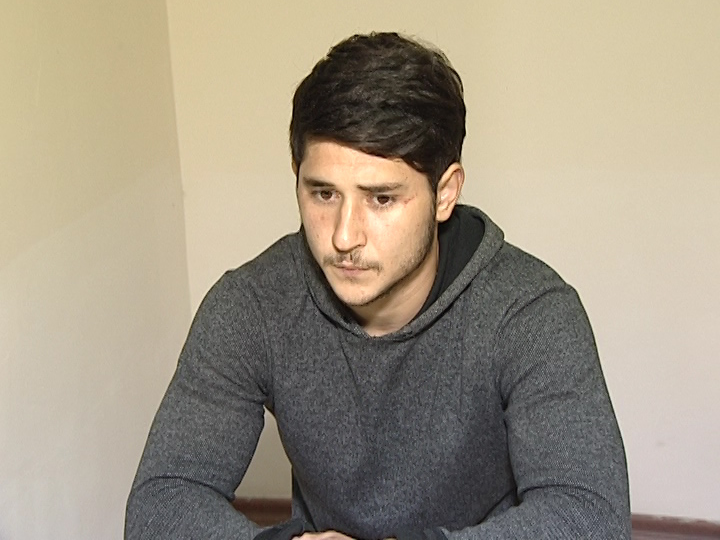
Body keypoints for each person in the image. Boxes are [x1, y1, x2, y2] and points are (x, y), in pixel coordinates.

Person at [126, 32, 631, 540]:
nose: (344, 236)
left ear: (445, 194)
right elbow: (160, 502)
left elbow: (591, 516)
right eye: (323, 194)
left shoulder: (531, 313)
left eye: (382, 199)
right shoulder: (252, 306)